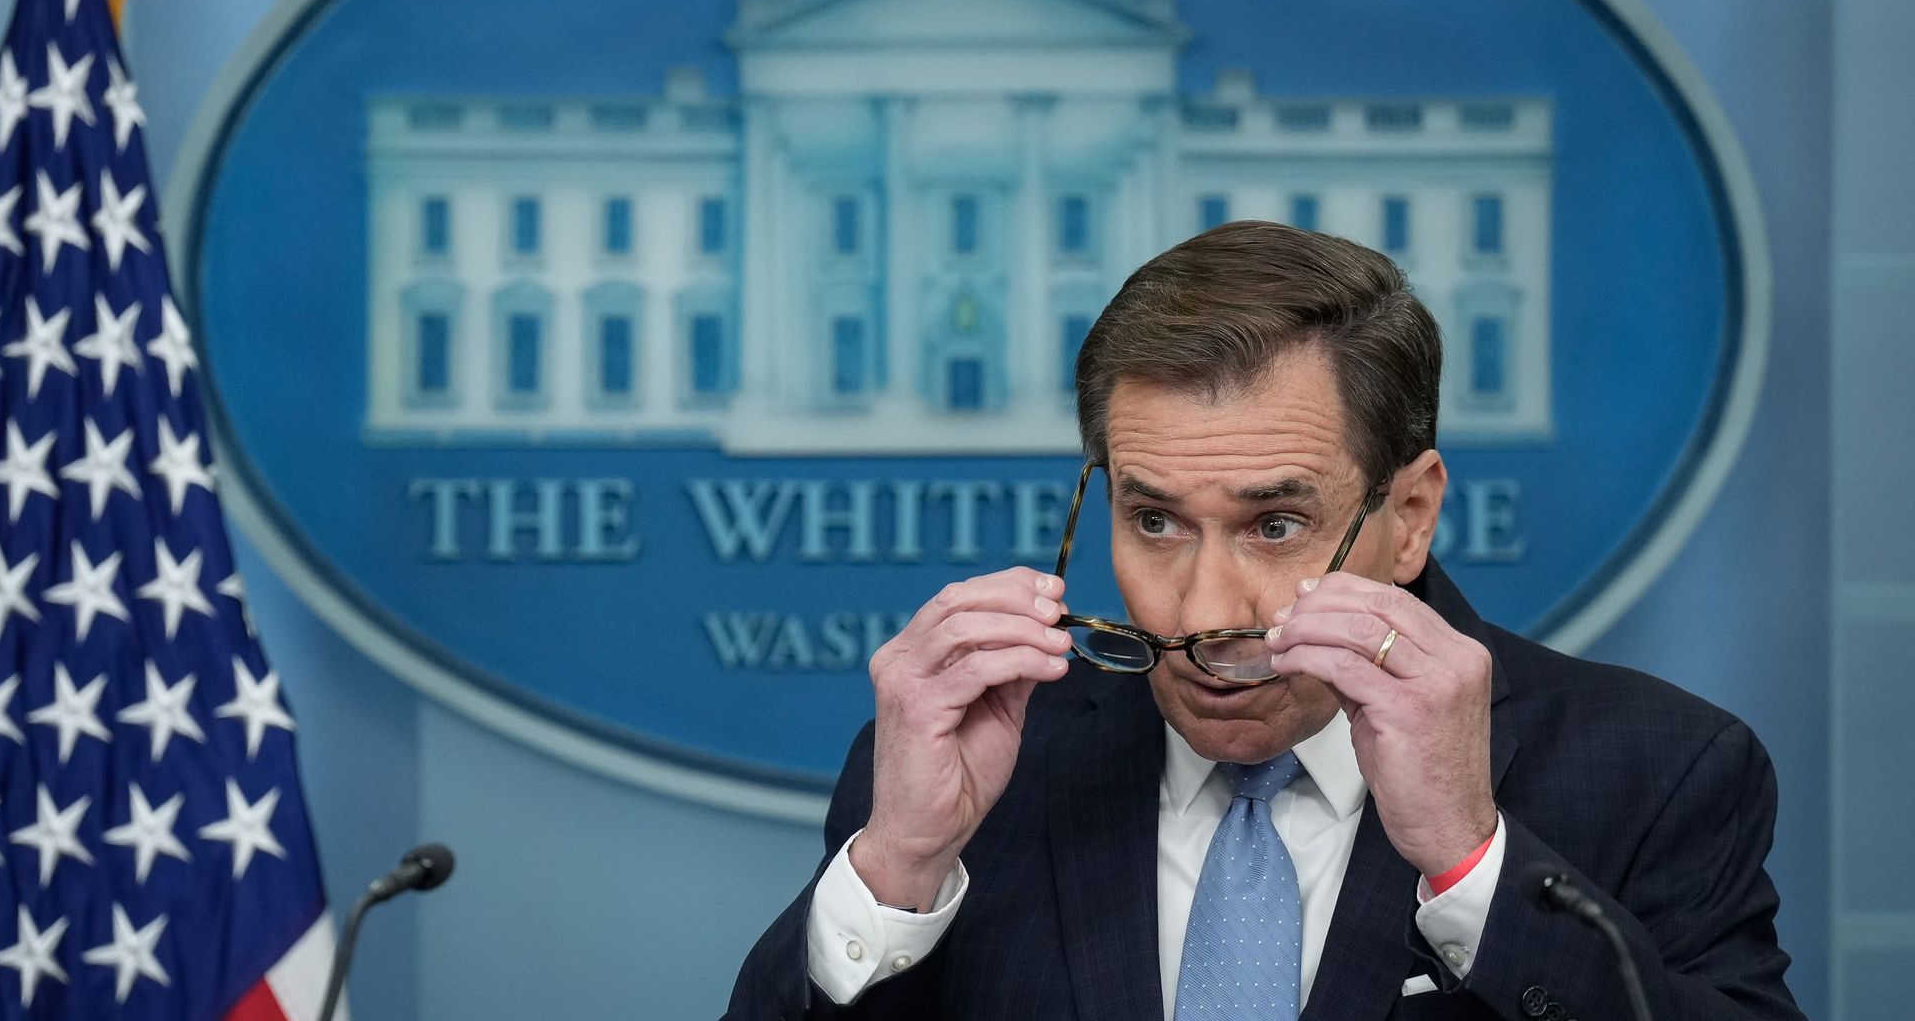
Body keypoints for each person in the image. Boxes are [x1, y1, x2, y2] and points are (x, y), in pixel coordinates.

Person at [725, 221, 1803, 1021]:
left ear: (1411, 512)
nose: (1204, 613)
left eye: (1277, 525)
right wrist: (895, 873)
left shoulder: (1660, 771)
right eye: (1153, 520)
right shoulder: (962, 772)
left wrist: (1477, 870)